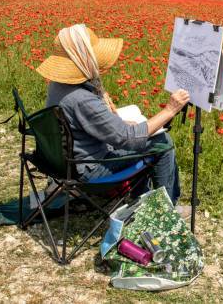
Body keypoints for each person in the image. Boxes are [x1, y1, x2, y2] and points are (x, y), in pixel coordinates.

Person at [35, 24, 190, 216]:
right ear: (85, 60)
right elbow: (128, 139)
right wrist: (170, 110)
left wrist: (120, 122)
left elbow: (92, 125)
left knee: (143, 134)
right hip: (89, 170)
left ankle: (141, 198)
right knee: (162, 142)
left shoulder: (58, 85)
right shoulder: (82, 99)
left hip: (65, 162)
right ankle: (166, 211)